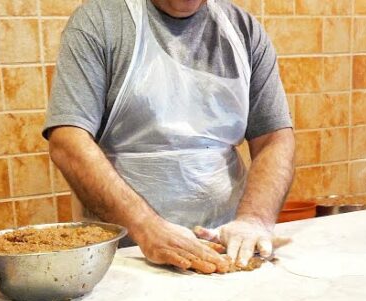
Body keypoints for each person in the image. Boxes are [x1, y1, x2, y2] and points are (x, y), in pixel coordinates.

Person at [44, 0, 296, 274]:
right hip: (128, 256)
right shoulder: (100, 22)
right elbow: (68, 141)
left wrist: (254, 220)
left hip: (226, 252)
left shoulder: (243, 31)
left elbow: (275, 139)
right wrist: (146, 227)